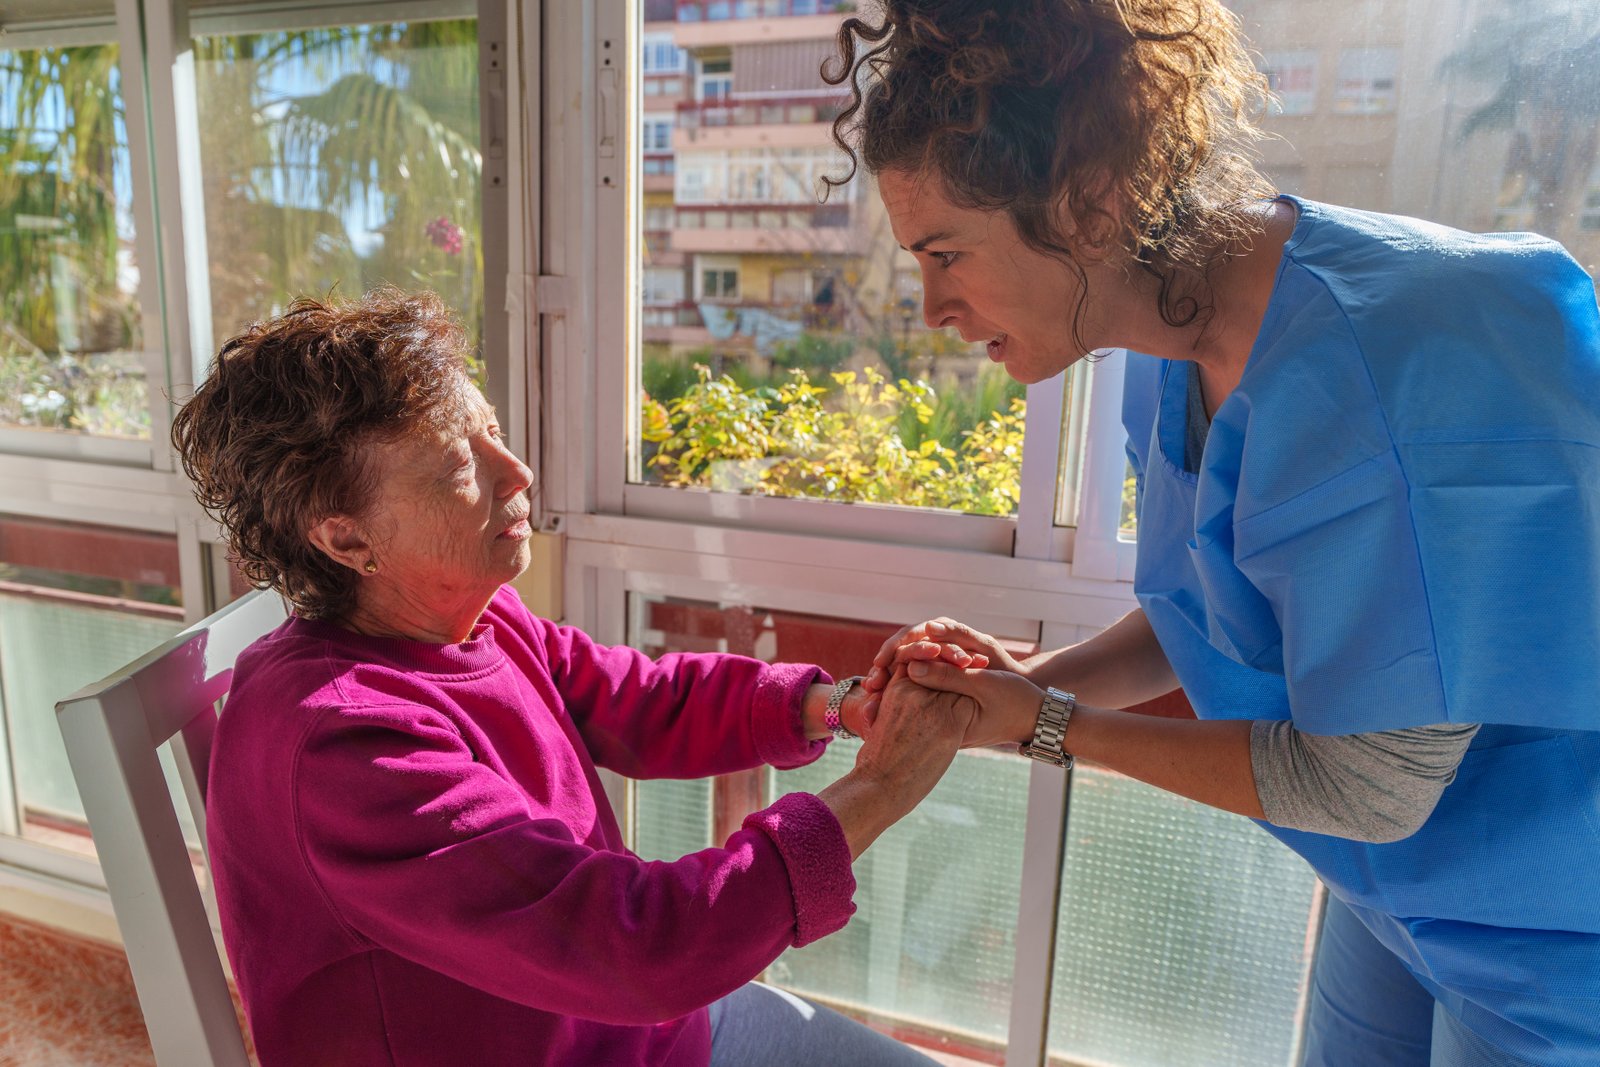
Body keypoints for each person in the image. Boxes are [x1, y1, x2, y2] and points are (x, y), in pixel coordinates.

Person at [823, 2, 1600, 1065]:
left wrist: (1045, 723)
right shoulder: (1176, 341)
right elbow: (1209, 605)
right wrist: (1018, 688)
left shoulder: (1393, 362)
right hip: (1393, 888)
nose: (932, 307)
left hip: (1551, 919)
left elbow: (1369, 781)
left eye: (946, 253)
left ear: (1086, 200)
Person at [169, 289, 965, 1067]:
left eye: (495, 433)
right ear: (346, 539)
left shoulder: (475, 617)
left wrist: (835, 707)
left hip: (640, 1031)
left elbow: (641, 699)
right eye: (459, 465)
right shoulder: (343, 746)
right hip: (633, 1006)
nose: (516, 473)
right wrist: (884, 785)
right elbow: (643, 946)